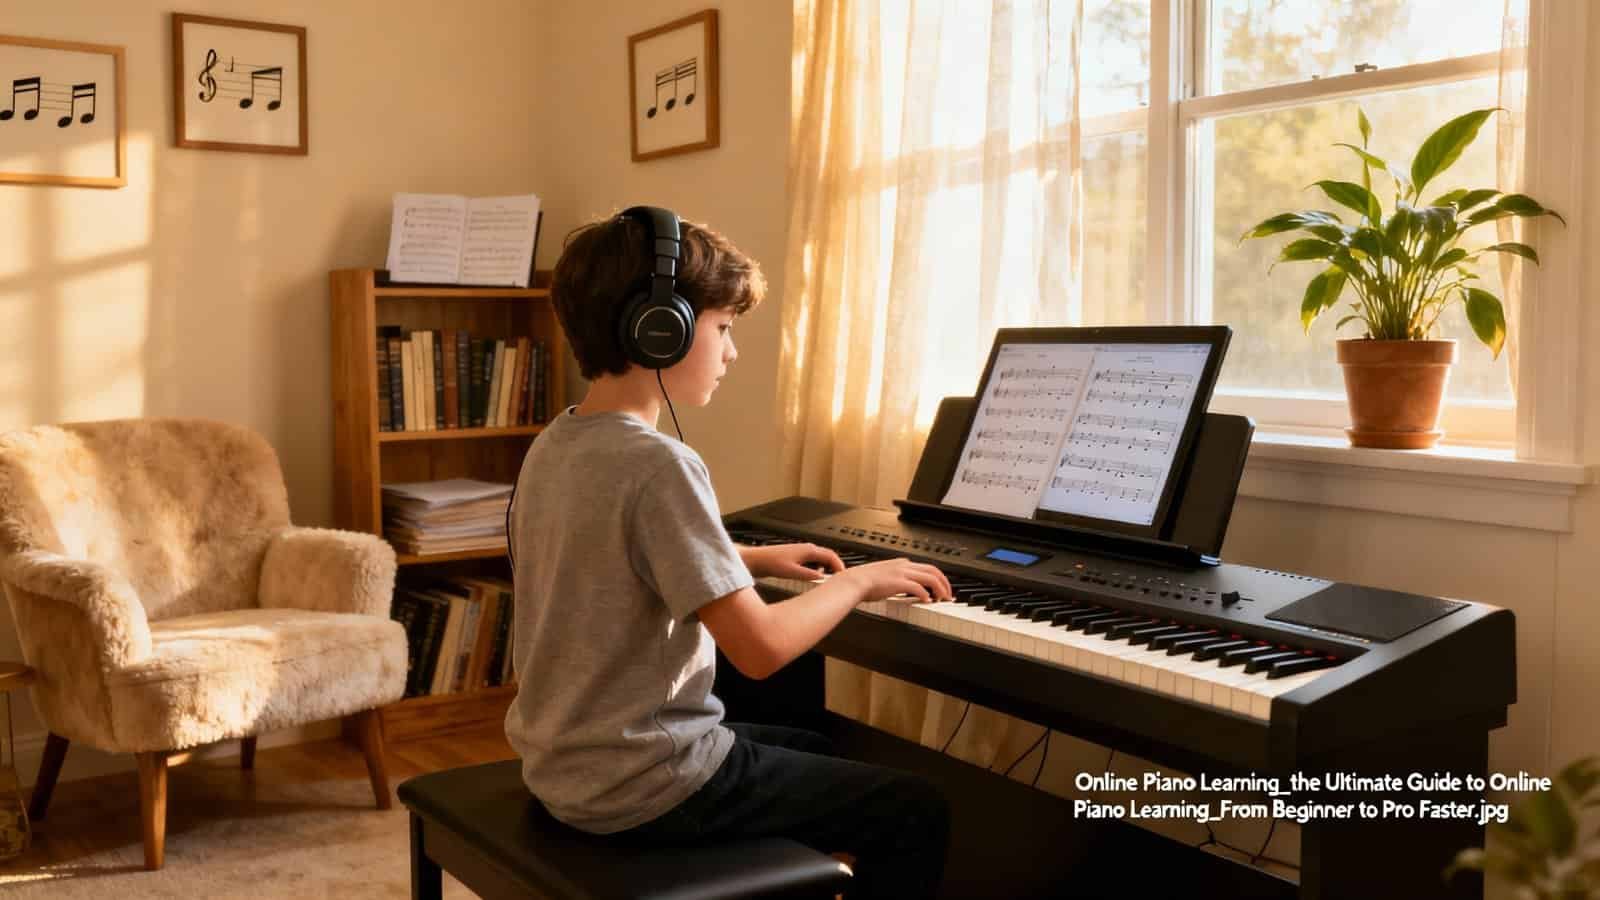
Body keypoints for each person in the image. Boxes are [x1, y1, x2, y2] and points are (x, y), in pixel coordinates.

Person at [504, 206, 952, 899]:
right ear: (660, 329)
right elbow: (762, 648)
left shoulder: (560, 442)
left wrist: (751, 556)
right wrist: (860, 581)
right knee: (914, 806)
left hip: (567, 767)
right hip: (646, 784)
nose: (731, 352)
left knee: (816, 751)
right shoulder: (661, 464)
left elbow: (609, 559)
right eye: (722, 328)